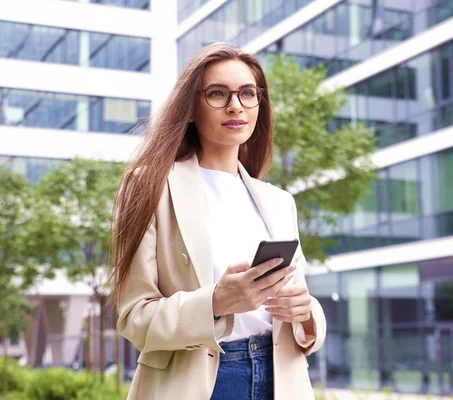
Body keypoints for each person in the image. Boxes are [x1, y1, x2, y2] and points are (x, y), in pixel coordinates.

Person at [110, 42, 327, 400]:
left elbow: (300, 299)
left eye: (247, 93)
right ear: (191, 107)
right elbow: (134, 317)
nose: (235, 105)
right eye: (217, 93)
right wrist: (216, 302)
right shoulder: (149, 186)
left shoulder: (279, 201)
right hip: (201, 382)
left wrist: (304, 312)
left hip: (281, 379)